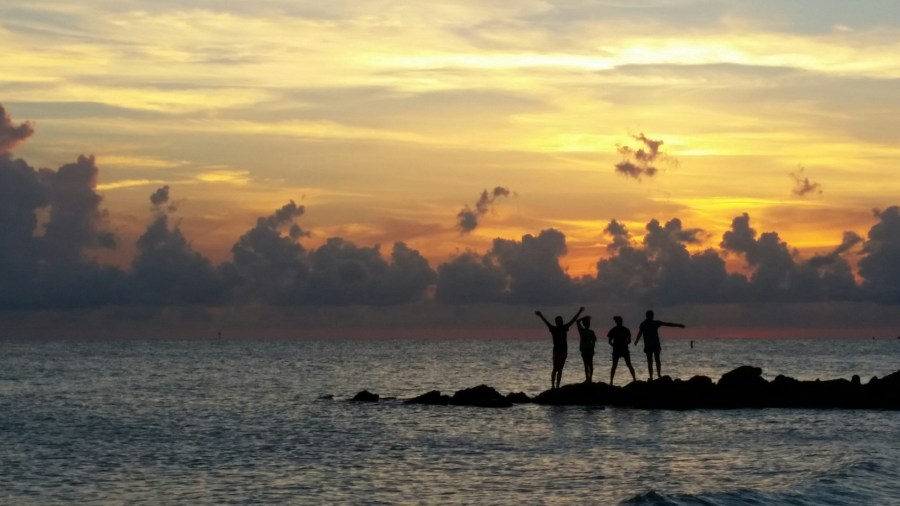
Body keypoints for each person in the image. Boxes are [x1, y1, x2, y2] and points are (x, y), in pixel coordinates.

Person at [535, 307, 584, 389]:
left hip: (563, 351)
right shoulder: (553, 329)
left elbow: (572, 320)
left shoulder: (564, 327)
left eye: (561, 320)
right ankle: (553, 386)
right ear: (557, 322)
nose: (560, 321)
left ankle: (557, 386)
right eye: (559, 321)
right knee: (555, 368)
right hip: (557, 351)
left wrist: (579, 312)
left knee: (560, 369)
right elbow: (546, 322)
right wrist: (540, 315)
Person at [634, 310, 685, 381]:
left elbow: (667, 324)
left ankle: (658, 374)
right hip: (649, 345)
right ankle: (651, 376)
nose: (652, 316)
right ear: (648, 316)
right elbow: (640, 333)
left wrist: (678, 325)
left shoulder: (654, 323)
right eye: (651, 315)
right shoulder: (643, 324)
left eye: (652, 315)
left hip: (655, 344)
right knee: (650, 361)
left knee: (656, 360)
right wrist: (636, 340)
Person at [606, 315, 636, 385]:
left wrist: (625, 344)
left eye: (620, 321)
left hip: (624, 349)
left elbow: (629, 340)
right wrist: (613, 345)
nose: (620, 322)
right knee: (614, 366)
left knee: (629, 364)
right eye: (618, 321)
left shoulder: (625, 330)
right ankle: (611, 381)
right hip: (617, 350)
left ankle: (634, 379)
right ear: (617, 322)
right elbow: (610, 341)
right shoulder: (613, 330)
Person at [576, 316, 597, 383]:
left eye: (588, 323)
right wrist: (584, 318)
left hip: (589, 349)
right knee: (586, 364)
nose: (588, 324)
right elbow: (577, 322)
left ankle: (590, 378)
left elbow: (594, 340)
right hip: (584, 349)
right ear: (584, 324)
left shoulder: (591, 332)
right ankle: (587, 378)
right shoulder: (582, 330)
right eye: (586, 323)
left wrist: (592, 347)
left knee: (590, 364)